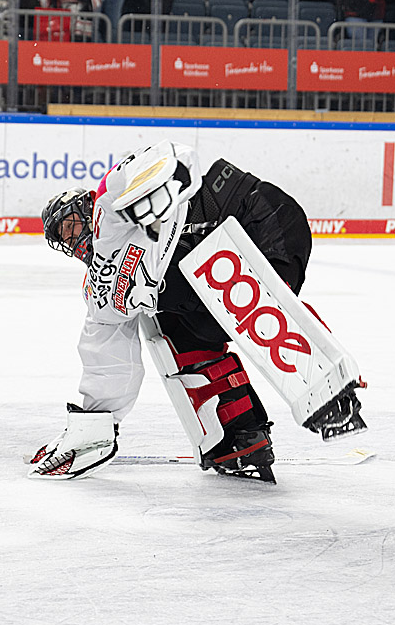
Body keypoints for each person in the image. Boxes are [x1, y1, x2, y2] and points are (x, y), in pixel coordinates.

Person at [31, 141, 365, 483]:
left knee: (237, 286)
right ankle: (237, 436)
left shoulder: (109, 204)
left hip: (256, 216)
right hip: (214, 267)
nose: (73, 237)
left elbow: (171, 159)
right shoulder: (99, 290)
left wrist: (155, 197)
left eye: (71, 224)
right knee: (173, 331)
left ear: (87, 207)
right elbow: (107, 356)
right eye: (64, 237)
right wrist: (93, 426)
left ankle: (327, 388)